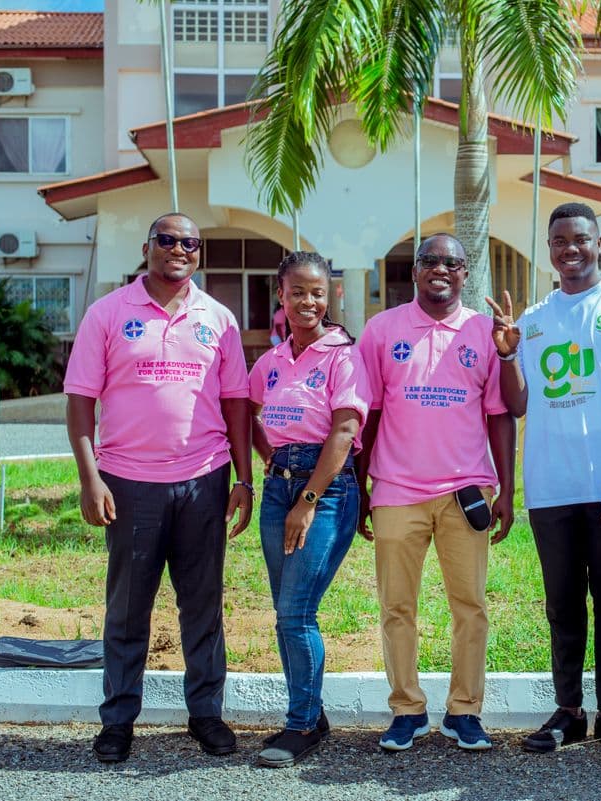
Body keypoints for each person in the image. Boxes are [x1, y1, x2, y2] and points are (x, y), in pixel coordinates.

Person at [65, 212, 253, 763]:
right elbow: (79, 402)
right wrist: (89, 477)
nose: (179, 249)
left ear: (198, 254)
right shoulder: (107, 313)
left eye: (190, 243)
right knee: (127, 607)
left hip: (204, 479)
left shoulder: (218, 318)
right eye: (167, 240)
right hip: (129, 484)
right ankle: (118, 720)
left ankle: (206, 714)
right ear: (148, 246)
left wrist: (243, 478)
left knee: (203, 603)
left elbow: (236, 403)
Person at [488, 202, 601, 756]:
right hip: (550, 486)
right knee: (562, 604)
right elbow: (517, 403)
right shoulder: (536, 320)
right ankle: (569, 711)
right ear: (549, 248)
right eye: (560, 240)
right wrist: (510, 353)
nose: (571, 248)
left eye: (581, 239)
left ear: (598, 243)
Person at [357, 233, 515, 752]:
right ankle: (407, 709)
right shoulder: (382, 331)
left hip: (465, 493)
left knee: (469, 606)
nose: (441, 269)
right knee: (396, 607)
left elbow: (502, 414)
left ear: (466, 274)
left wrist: (508, 490)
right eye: (430, 261)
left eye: (452, 262)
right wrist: (361, 488)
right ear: (415, 270)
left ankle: (464, 711)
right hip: (397, 491)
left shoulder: (483, 331)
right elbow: (369, 415)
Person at [248, 251, 369, 767]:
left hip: (326, 489)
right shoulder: (270, 362)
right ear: (281, 295)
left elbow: (344, 431)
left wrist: (308, 499)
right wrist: (271, 462)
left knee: (296, 613)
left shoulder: (344, 355)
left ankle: (302, 726)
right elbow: (249, 414)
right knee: (285, 614)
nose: (308, 301)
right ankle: (310, 712)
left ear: (331, 296)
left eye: (318, 292)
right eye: (297, 291)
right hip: (278, 488)